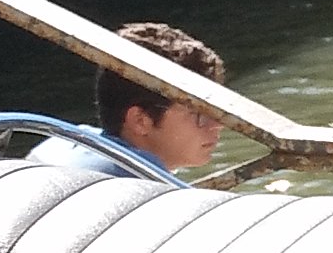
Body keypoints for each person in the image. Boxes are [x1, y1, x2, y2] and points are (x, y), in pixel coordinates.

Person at [42, 20, 231, 172]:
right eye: (199, 114)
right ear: (141, 120)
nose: (218, 125)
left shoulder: (63, 144)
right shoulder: (140, 189)